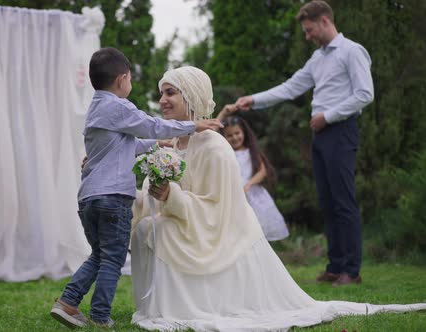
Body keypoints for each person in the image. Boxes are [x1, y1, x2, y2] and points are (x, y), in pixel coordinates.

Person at [130, 65, 425, 332]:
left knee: (158, 233)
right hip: (190, 225)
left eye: (170, 93)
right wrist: (142, 197)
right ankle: (156, 307)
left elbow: (218, 209)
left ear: (192, 95)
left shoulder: (214, 146)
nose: (163, 100)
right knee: (145, 229)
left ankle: (178, 310)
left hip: (219, 233)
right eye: (161, 94)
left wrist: (173, 196)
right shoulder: (170, 143)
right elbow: (151, 195)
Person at [49, 47, 222, 329]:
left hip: (89, 198)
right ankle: (101, 316)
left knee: (99, 255)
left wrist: (158, 145)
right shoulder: (119, 106)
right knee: (113, 259)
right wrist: (191, 126)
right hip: (113, 198)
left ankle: (67, 303)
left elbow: (123, 145)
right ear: (122, 79)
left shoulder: (96, 107)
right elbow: (150, 125)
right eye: (130, 79)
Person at [229, 0, 373, 286]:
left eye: (309, 31)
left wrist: (327, 116)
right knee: (328, 201)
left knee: (343, 201)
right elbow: (291, 87)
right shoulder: (318, 59)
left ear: (324, 21)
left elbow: (365, 94)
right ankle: (335, 266)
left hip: (340, 130)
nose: (307, 37)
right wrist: (253, 100)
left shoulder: (351, 51)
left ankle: (351, 270)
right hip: (320, 134)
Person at [217, 109, 289, 241]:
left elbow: (263, 171)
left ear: (244, 132)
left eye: (237, 133)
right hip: (234, 194)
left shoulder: (251, 152)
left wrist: (249, 183)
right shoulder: (225, 153)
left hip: (252, 192)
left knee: (257, 225)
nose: (234, 138)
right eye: (230, 135)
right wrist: (223, 112)